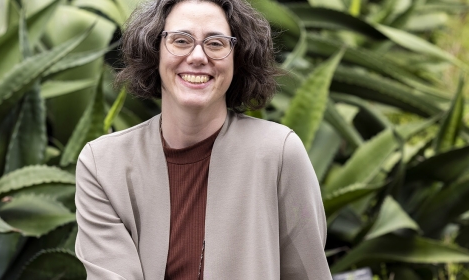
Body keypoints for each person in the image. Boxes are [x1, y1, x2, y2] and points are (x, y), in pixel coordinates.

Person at [74, 0, 331, 279]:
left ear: (238, 57)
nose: (197, 56)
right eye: (181, 41)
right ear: (154, 51)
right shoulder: (103, 164)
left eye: (216, 43)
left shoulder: (279, 154)